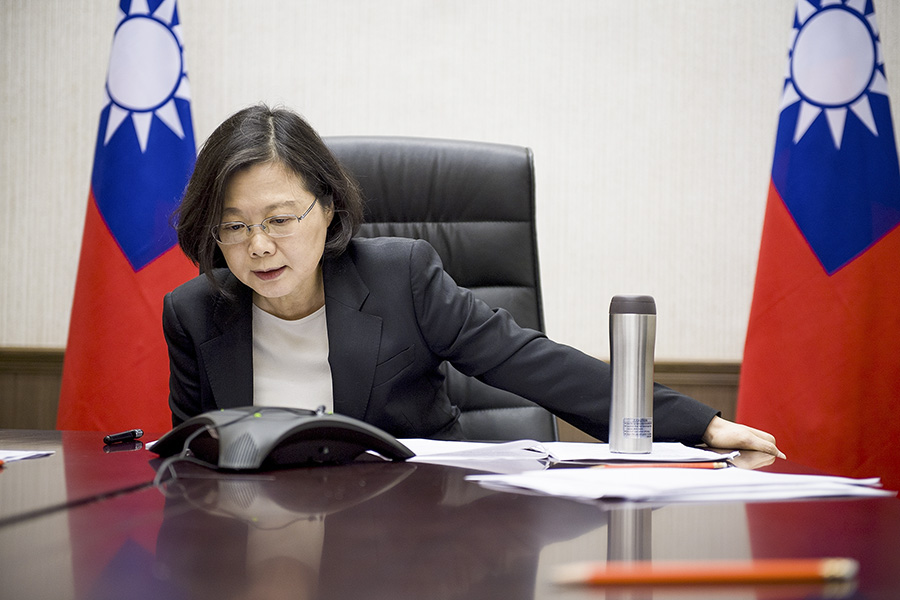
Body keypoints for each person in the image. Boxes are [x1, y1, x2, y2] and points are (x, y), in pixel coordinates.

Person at [164, 104, 784, 458]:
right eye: (234, 226)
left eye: (279, 220)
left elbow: (528, 362)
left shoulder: (400, 277)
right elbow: (194, 457)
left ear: (326, 209)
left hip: (415, 531)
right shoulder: (193, 313)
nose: (258, 246)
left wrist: (700, 425)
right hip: (261, 543)